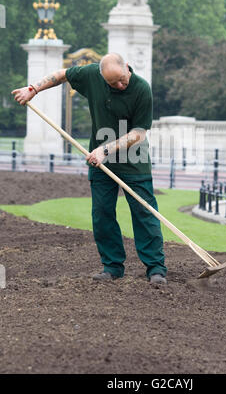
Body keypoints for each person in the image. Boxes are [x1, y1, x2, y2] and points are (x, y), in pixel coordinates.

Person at [11, 53, 167, 285]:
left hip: (134, 161)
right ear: (102, 77)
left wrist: (107, 150)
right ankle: (112, 267)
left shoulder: (142, 89)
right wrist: (34, 89)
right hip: (99, 162)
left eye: (122, 80)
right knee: (102, 213)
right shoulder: (92, 74)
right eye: (112, 83)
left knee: (145, 214)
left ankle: (156, 268)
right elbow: (61, 74)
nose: (119, 85)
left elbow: (139, 133)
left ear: (126, 67)